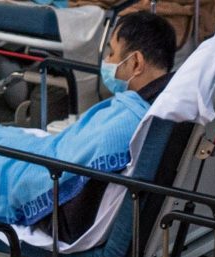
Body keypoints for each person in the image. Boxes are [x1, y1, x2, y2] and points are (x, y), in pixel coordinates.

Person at [53, 11, 178, 243]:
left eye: (111, 53)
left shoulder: (129, 121)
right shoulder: (168, 106)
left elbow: (64, 187)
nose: (107, 62)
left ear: (136, 63)